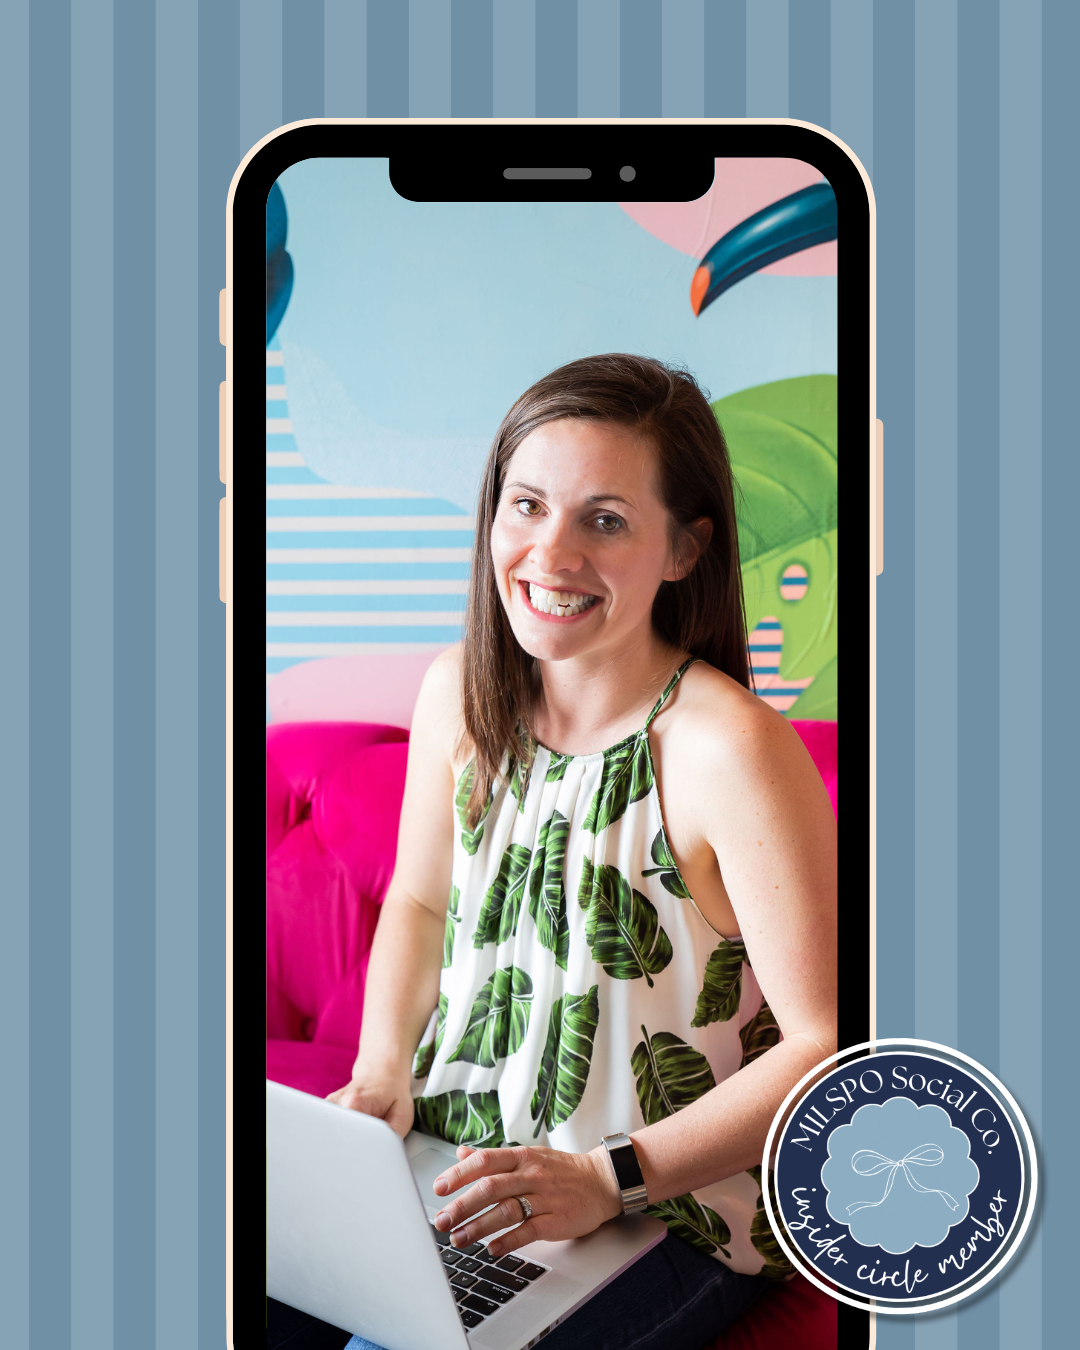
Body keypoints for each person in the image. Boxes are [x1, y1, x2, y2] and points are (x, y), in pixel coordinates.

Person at [268, 354, 837, 1350]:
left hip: (665, 1210)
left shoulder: (730, 748)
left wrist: (607, 1178)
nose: (551, 553)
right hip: (454, 1161)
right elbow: (419, 902)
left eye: (605, 520)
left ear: (685, 549)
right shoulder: (458, 692)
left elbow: (824, 1045)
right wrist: (382, 1071)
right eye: (527, 505)